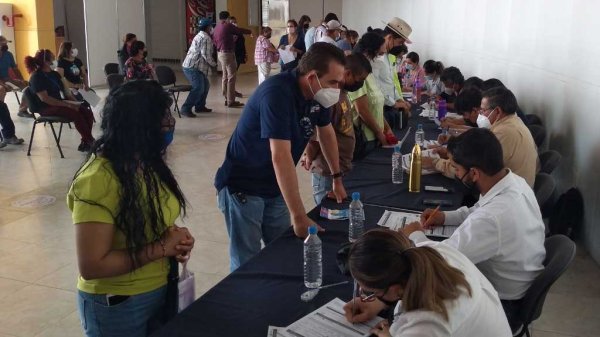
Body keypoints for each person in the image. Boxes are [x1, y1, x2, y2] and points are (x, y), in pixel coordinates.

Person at [68, 80, 195, 337]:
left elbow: (152, 217)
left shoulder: (146, 161)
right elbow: (92, 265)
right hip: (119, 303)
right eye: (162, 117)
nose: (169, 123)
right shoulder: (97, 179)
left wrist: (177, 240)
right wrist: (161, 248)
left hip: (160, 288)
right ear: (140, 126)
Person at [215, 43, 348, 271]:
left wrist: (337, 178)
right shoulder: (277, 93)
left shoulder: (319, 95)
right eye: (333, 82)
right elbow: (280, 156)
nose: (336, 89)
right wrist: (298, 215)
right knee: (247, 261)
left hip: (275, 187)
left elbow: (326, 134)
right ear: (312, 77)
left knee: (281, 251)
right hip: (243, 187)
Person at [403, 128, 546, 333]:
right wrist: (445, 217)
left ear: (474, 173)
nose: (456, 173)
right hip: (518, 279)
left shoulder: (493, 218)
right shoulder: (513, 182)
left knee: (417, 294)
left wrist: (414, 234)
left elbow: (439, 260)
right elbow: (476, 210)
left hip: (506, 303)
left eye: (457, 169)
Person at [344, 229, 512, 337]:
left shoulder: (426, 325)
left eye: (369, 292)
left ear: (395, 289)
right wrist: (378, 303)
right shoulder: (425, 254)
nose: (366, 296)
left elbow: (424, 327)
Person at [301, 53, 372, 204]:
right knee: (325, 211)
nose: (361, 84)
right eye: (360, 80)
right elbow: (316, 138)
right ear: (347, 74)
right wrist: (309, 157)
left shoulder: (343, 94)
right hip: (326, 171)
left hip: (339, 169)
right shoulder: (329, 98)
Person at [25, 49, 95, 151]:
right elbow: (45, 98)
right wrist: (67, 105)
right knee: (76, 114)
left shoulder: (55, 74)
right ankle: (90, 141)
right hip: (45, 107)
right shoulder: (36, 77)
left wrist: (75, 102)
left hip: (58, 103)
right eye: (53, 58)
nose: (55, 60)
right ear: (46, 61)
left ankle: (86, 141)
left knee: (87, 112)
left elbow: (66, 91)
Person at [479, 86, 539, 186]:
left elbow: (480, 169)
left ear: (497, 111)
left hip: (511, 193)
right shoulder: (514, 121)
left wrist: (443, 164)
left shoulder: (504, 132)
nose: (480, 115)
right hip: (517, 186)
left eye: (483, 110)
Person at [350, 33, 394, 150]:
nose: (379, 59)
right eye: (379, 55)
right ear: (370, 52)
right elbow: (362, 110)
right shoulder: (358, 74)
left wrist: (387, 128)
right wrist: (380, 134)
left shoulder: (370, 74)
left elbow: (376, 106)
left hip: (377, 137)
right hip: (366, 138)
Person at [424, 88, 482, 178]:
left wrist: (435, 163)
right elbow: (471, 130)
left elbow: (467, 172)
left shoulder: (497, 132)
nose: (482, 112)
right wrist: (450, 144)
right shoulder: (490, 126)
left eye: (484, 110)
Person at [371, 18, 413, 131]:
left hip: (389, 107)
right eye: (399, 42)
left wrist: (399, 99)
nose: (399, 46)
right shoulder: (376, 56)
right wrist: (394, 103)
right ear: (389, 38)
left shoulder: (388, 56)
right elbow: (375, 86)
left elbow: (391, 83)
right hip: (380, 109)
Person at [213, 11, 252, 108]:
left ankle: (226, 97)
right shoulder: (227, 26)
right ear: (227, 18)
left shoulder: (216, 27)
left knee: (225, 76)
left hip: (220, 53)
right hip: (228, 54)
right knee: (231, 77)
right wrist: (250, 31)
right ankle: (231, 101)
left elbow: (214, 41)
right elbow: (238, 30)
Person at [181, 18, 217, 117]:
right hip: (192, 67)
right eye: (211, 26)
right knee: (198, 88)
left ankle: (200, 106)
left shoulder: (200, 35)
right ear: (208, 27)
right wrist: (215, 65)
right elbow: (206, 55)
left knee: (205, 86)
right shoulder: (205, 38)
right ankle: (185, 108)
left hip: (196, 67)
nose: (212, 28)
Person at [0, 36, 30, 117]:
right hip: (1, 82)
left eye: (6, 43)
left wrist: (22, 79)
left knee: (28, 86)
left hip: (7, 79)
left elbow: (15, 69)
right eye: (3, 44)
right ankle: (2, 114)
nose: (6, 45)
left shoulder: (8, 54)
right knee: (1, 90)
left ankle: (22, 110)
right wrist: (3, 84)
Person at [228, 16, 247, 98]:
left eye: (235, 22)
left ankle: (231, 91)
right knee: (231, 75)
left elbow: (242, 43)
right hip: (232, 54)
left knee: (234, 74)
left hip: (239, 54)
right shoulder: (228, 33)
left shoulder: (238, 31)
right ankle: (230, 92)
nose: (234, 24)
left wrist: (245, 54)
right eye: (232, 22)